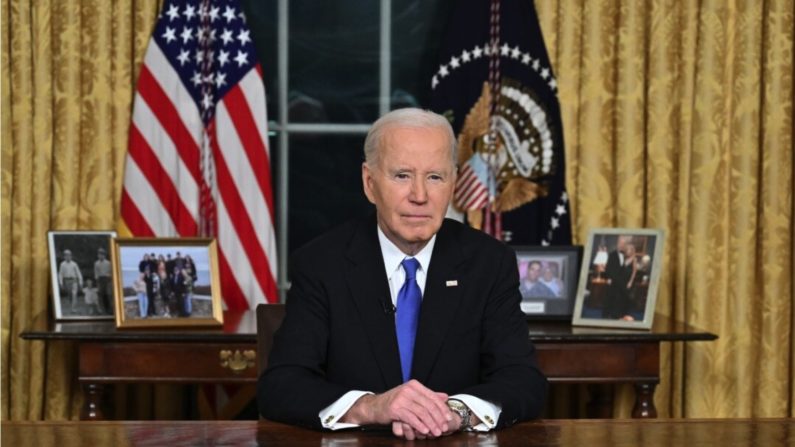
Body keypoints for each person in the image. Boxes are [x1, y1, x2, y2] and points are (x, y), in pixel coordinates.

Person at [258, 108, 546, 440]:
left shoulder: (489, 262)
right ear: (370, 183)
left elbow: (524, 380)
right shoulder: (322, 263)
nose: (420, 195)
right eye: (402, 176)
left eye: (435, 177)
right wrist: (371, 407)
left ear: (453, 182)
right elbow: (281, 384)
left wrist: (457, 413)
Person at [603, 236, 636, 319]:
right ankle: (606, 315)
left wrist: (630, 282)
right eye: (620, 243)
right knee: (610, 298)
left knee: (620, 299)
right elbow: (608, 269)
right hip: (614, 280)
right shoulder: (612, 254)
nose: (621, 245)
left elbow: (631, 271)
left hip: (622, 282)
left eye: (623, 243)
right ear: (617, 243)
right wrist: (608, 278)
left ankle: (619, 315)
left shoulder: (626, 255)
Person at [94, 248, 113, 314]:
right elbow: (96, 273)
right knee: (101, 294)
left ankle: (110, 309)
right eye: (99, 254)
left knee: (108, 294)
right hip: (100, 279)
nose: (100, 256)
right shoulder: (96, 263)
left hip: (107, 279)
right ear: (98, 255)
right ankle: (103, 309)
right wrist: (97, 280)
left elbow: (111, 272)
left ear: (104, 255)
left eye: (102, 254)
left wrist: (109, 278)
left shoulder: (108, 263)